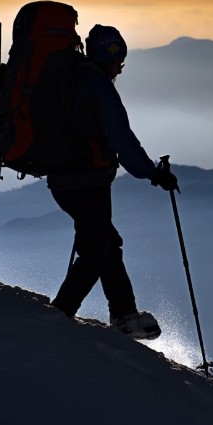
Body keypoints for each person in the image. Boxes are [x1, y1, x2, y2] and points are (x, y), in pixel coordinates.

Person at [47, 24, 179, 339]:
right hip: (86, 181)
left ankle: (123, 313)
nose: (121, 67)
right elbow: (121, 138)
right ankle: (59, 315)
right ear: (111, 54)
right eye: (119, 59)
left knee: (105, 244)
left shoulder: (75, 77)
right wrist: (153, 173)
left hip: (65, 179)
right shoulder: (98, 85)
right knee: (97, 249)